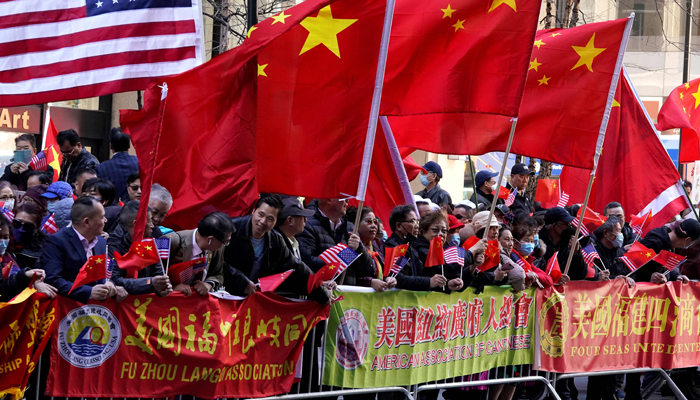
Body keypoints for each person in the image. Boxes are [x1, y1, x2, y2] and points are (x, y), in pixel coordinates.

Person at [226, 195, 331, 302]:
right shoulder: (231, 229)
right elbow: (217, 263)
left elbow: (298, 269)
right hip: (224, 297)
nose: (263, 221)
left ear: (276, 222)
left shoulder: (276, 241)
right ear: (254, 211)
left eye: (270, 219)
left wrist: (322, 292)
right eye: (260, 214)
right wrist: (241, 281)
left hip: (250, 301)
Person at [42, 196, 117, 303]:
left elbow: (105, 273)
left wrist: (109, 284)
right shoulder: (57, 241)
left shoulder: (101, 242)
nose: (105, 221)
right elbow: (53, 280)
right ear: (87, 222)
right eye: (102, 217)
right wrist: (88, 292)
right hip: (66, 311)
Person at [108, 201, 172, 296]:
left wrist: (164, 286)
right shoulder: (113, 245)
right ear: (137, 224)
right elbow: (113, 280)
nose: (152, 226)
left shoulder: (149, 242)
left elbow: (158, 274)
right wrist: (150, 283)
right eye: (149, 220)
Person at [165, 211, 235, 296]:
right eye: (225, 242)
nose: (225, 244)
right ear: (210, 239)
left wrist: (209, 284)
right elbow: (152, 274)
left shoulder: (217, 247)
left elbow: (218, 274)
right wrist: (171, 286)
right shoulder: (171, 241)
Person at [0, 214, 56, 300]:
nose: (2, 241)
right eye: (17, 223)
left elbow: (3, 289)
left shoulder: (8, 257)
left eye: (5, 237)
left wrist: (25, 276)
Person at [346, 206, 396, 292]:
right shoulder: (350, 246)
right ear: (355, 225)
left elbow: (381, 273)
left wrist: (388, 279)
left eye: (375, 222)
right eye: (369, 221)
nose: (374, 226)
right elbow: (347, 278)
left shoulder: (374, 248)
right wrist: (370, 282)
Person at [96, 128, 139, 203]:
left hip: (111, 211)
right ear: (129, 146)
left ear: (111, 146)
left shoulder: (101, 168)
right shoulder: (140, 162)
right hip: (137, 208)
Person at [275, 196, 315, 260]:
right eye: (302, 216)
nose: (306, 220)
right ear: (290, 220)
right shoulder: (275, 246)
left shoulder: (295, 243)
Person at [11, 202, 47, 270]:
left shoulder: (43, 249)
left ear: (36, 227)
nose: (21, 229)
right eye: (17, 223)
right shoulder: (4, 240)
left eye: (28, 226)